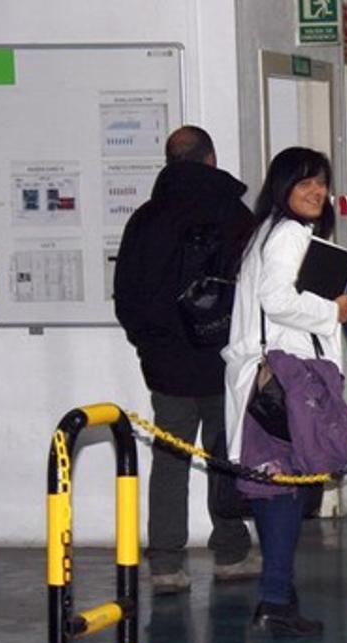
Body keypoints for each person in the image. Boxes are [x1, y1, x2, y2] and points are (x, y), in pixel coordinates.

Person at [113, 126, 257, 595]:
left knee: (170, 460)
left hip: (166, 365)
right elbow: (252, 289)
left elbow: (126, 296)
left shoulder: (145, 219)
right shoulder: (233, 214)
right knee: (225, 455)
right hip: (221, 360)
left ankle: (166, 564)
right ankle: (231, 552)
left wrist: (149, 344)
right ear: (210, 159)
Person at [222, 146, 347, 637]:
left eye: (321, 183)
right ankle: (275, 599)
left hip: (267, 377)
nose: (316, 192)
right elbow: (277, 301)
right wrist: (332, 311)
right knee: (280, 489)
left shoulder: (267, 233)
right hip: (281, 380)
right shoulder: (288, 236)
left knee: (276, 487)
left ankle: (282, 593)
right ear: (283, 189)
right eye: (305, 184)